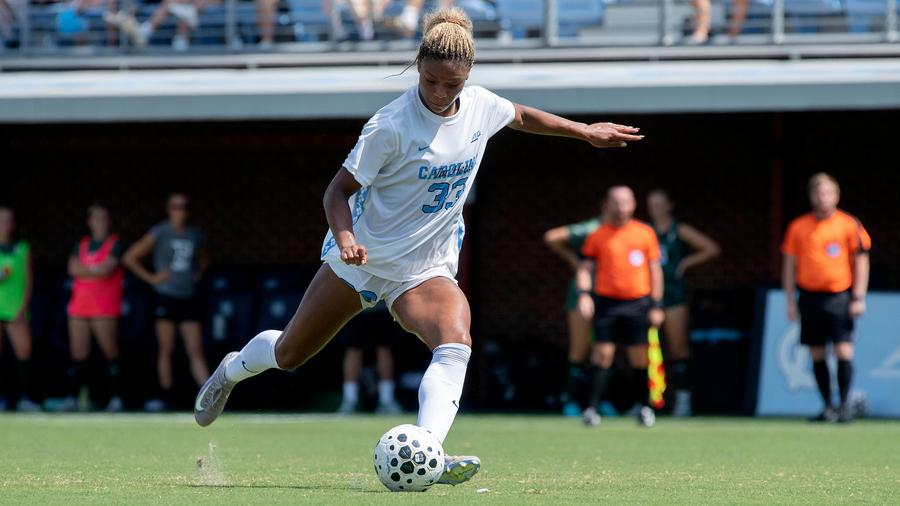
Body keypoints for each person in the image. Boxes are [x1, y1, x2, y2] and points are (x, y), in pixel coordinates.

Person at [193, 6, 642, 487]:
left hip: (424, 268)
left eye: (452, 85)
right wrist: (344, 238)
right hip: (363, 261)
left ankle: (429, 449)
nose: (440, 93)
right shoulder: (389, 126)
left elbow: (522, 116)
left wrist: (583, 131)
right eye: (431, 82)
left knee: (455, 343)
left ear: (467, 77)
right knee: (289, 355)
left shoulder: (480, 106)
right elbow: (335, 192)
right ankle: (231, 370)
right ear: (418, 68)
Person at [782, 173, 870, 424]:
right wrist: (789, 299)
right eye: (818, 193)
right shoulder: (798, 227)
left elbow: (862, 261)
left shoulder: (848, 224)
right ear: (811, 196)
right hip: (809, 296)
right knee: (816, 353)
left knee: (843, 348)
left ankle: (844, 406)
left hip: (839, 296)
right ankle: (827, 406)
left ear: (836, 196)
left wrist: (858, 296)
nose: (823, 198)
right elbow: (789, 264)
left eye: (827, 193)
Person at [576, 186, 664, 428]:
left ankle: (644, 407)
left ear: (633, 204)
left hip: (638, 303)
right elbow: (585, 268)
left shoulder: (645, 233)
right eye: (616, 202)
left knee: (639, 357)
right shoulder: (598, 235)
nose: (621, 207)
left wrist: (656, 305)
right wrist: (584, 294)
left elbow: (655, 271)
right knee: (603, 354)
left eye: (625, 202)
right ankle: (591, 409)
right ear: (608, 204)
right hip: (606, 302)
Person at [124, 193, 210, 411]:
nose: (180, 211)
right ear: (168, 209)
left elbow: (203, 257)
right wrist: (152, 278)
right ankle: (167, 397)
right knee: (166, 348)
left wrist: (197, 272)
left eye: (184, 206)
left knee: (195, 348)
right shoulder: (160, 232)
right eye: (175, 206)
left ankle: (210, 397)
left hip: (188, 296)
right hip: (166, 296)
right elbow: (130, 257)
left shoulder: (194, 233)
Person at [646, 189, 719, 417]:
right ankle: (646, 400)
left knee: (678, 348)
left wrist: (687, 262)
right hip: (647, 297)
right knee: (643, 350)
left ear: (670, 205)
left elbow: (711, 248)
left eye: (660, 204)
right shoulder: (644, 231)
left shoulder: (679, 230)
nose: (656, 209)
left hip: (674, 295)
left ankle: (683, 399)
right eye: (651, 204)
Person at [61, 205, 125, 413]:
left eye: (104, 218)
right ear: (89, 222)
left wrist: (86, 270)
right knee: (78, 354)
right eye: (96, 218)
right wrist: (94, 269)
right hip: (79, 305)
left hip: (104, 307)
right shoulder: (81, 244)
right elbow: (72, 268)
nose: (100, 222)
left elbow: (107, 269)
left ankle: (116, 397)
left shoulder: (115, 244)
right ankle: (75, 397)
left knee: (110, 352)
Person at [544, 213, 601, 417]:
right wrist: (573, 260)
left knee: (603, 350)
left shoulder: (627, 231)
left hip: (610, 295)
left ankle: (598, 402)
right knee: (579, 349)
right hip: (582, 294)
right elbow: (552, 237)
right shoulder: (592, 227)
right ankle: (571, 400)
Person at [0, 206, 40, 412]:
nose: (4, 225)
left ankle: (25, 397)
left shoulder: (22, 248)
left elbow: (28, 280)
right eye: (1, 220)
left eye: (8, 221)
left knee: (24, 352)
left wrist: (22, 308)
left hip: (16, 308)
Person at [336, 302, 403, 414]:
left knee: (384, 348)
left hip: (382, 306)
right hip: (354, 305)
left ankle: (387, 400)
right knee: (353, 349)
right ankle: (350, 400)